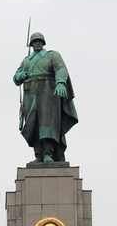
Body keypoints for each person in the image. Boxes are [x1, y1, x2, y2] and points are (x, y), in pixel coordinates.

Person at [13, 32, 78, 163]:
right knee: (33, 124)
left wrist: (60, 82)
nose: (37, 43)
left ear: (43, 43)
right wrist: (17, 76)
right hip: (30, 92)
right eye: (34, 41)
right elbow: (17, 75)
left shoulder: (52, 55)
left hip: (48, 91)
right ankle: (38, 156)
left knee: (47, 124)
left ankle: (48, 154)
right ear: (31, 44)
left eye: (39, 41)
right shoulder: (27, 60)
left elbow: (61, 69)